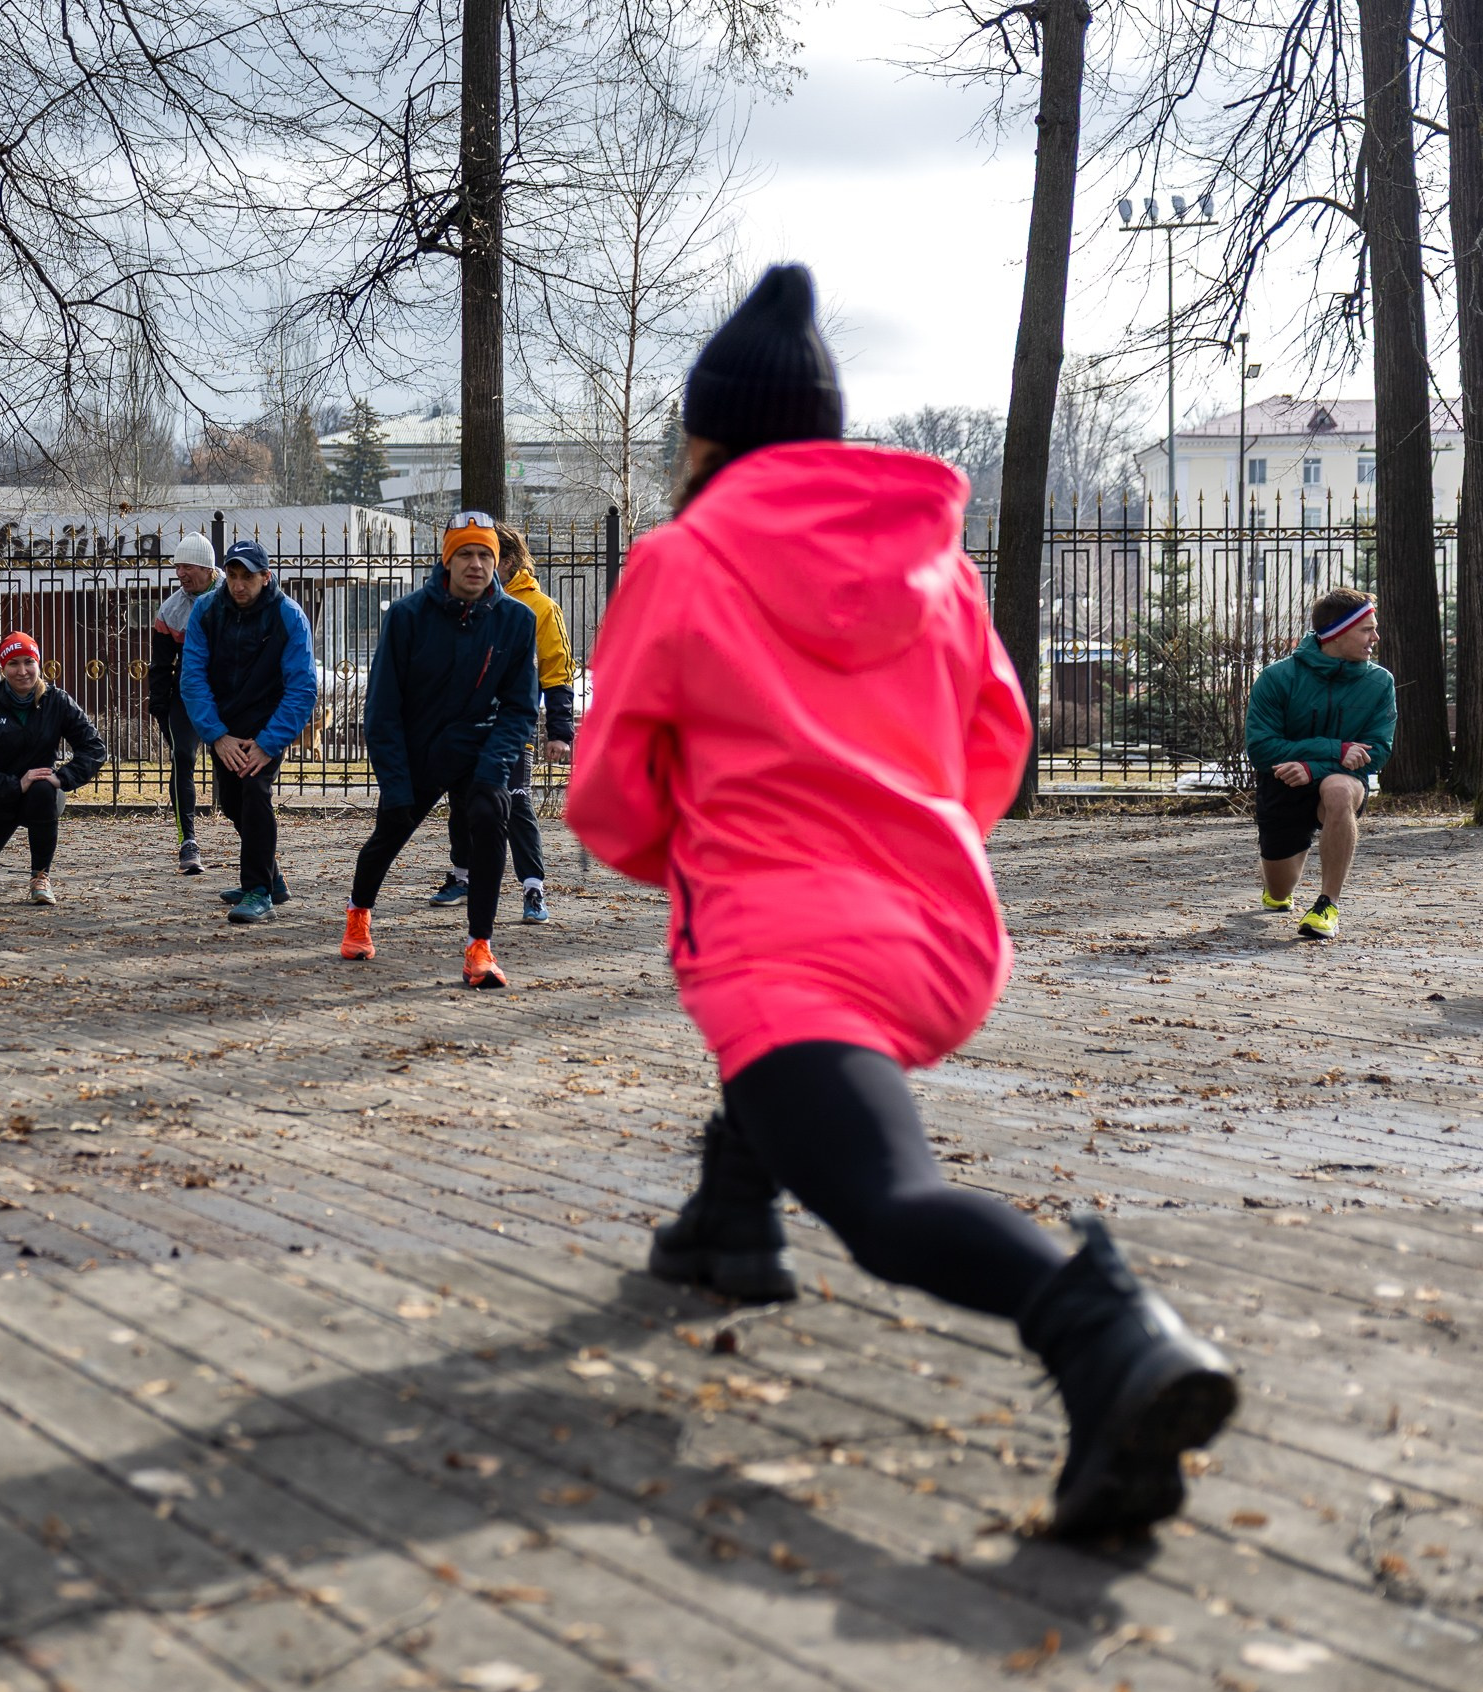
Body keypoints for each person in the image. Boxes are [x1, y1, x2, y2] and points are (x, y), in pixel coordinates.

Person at [568, 264, 1234, 1545]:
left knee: (884, 1202)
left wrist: (701, 856)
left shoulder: (683, 556)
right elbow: (997, 742)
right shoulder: (933, 564)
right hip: (939, 928)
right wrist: (903, 844)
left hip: (780, 935)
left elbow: (607, 793)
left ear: (704, 439)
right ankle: (730, 1218)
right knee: (790, 1079)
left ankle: (1105, 1338)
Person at [340, 512, 537, 989]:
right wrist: (395, 779)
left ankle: (479, 948)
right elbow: (383, 706)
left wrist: (494, 771)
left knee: (492, 819)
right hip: (418, 751)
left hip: (481, 750)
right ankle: (358, 915)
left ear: (497, 561)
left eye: (485, 555)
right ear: (447, 562)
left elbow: (520, 708)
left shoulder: (516, 620)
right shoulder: (408, 617)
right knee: (390, 832)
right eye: (465, 554)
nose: (476, 564)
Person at [436, 524, 574, 923]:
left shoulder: (540, 609)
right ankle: (462, 877)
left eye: (488, 556)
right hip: (464, 723)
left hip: (514, 724)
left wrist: (561, 732)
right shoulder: (463, 600)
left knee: (515, 801)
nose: (476, 566)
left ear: (507, 561)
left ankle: (533, 889)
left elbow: (558, 672)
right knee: (462, 801)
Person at [178, 539, 315, 924]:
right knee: (233, 803)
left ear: (265, 577)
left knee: (255, 793)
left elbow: (302, 686)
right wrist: (216, 735)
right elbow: (192, 678)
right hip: (224, 724)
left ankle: (257, 890)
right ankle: (272, 879)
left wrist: (269, 743)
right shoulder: (206, 610)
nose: (239, 585)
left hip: (268, 723)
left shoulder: (287, 615)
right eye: (233, 575)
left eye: (248, 577)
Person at [1245, 588, 1393, 940]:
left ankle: (1328, 904)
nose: (1376, 637)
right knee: (1280, 893)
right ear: (1336, 633)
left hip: (1339, 782)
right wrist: (1335, 749)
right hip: (1284, 786)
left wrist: (1314, 767)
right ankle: (1278, 886)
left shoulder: (1379, 682)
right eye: (1366, 629)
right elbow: (1262, 749)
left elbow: (1380, 751)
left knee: (1339, 789)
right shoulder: (1276, 678)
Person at [0, 632, 107, 904]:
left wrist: (62, 777)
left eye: (28, 662)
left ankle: (40, 877)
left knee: (43, 789)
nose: (22, 671)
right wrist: (15, 784)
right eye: (13, 664)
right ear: (3, 668)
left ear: (38, 664)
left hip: (40, 794)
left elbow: (94, 748)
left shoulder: (57, 701)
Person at [148, 532, 219, 873]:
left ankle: (254, 841)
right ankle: (187, 841)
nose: (180, 574)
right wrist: (160, 708)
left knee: (235, 770)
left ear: (207, 568)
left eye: (187, 567)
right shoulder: (171, 610)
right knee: (182, 756)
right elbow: (160, 666)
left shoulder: (232, 597)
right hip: (186, 695)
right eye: (177, 568)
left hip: (228, 696)